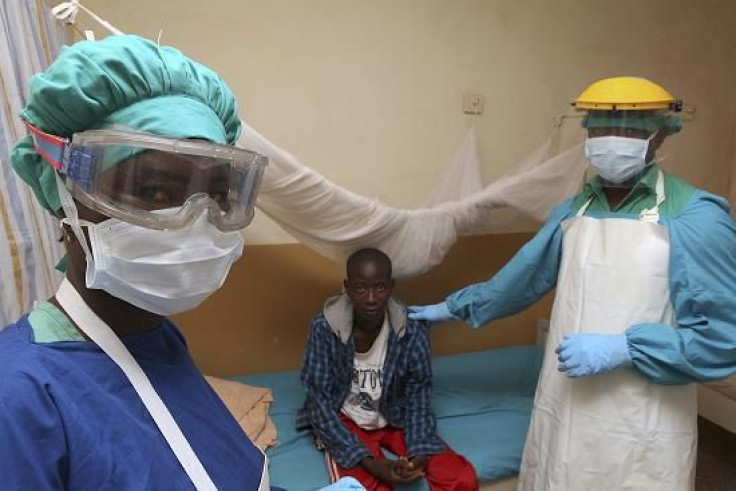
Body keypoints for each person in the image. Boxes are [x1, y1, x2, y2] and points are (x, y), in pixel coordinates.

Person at [408, 77, 736, 490]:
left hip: (642, 417)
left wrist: (626, 348)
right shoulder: (573, 209)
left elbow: (723, 339)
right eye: (600, 128)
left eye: (631, 130)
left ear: (659, 135)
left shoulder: (696, 218)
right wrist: (451, 308)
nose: (613, 140)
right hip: (565, 404)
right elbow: (520, 279)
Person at [0, 35, 275, 489]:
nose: (194, 222)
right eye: (152, 191)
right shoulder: (18, 398)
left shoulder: (155, 335)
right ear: (64, 190)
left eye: (217, 195)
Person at [298, 248, 479, 490]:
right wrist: (372, 464)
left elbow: (419, 393)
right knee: (363, 487)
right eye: (361, 288)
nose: (371, 298)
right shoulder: (325, 328)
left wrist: (420, 451)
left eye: (380, 287)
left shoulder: (412, 330)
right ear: (347, 287)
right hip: (346, 419)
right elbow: (318, 401)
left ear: (391, 286)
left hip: (396, 415)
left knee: (461, 479)